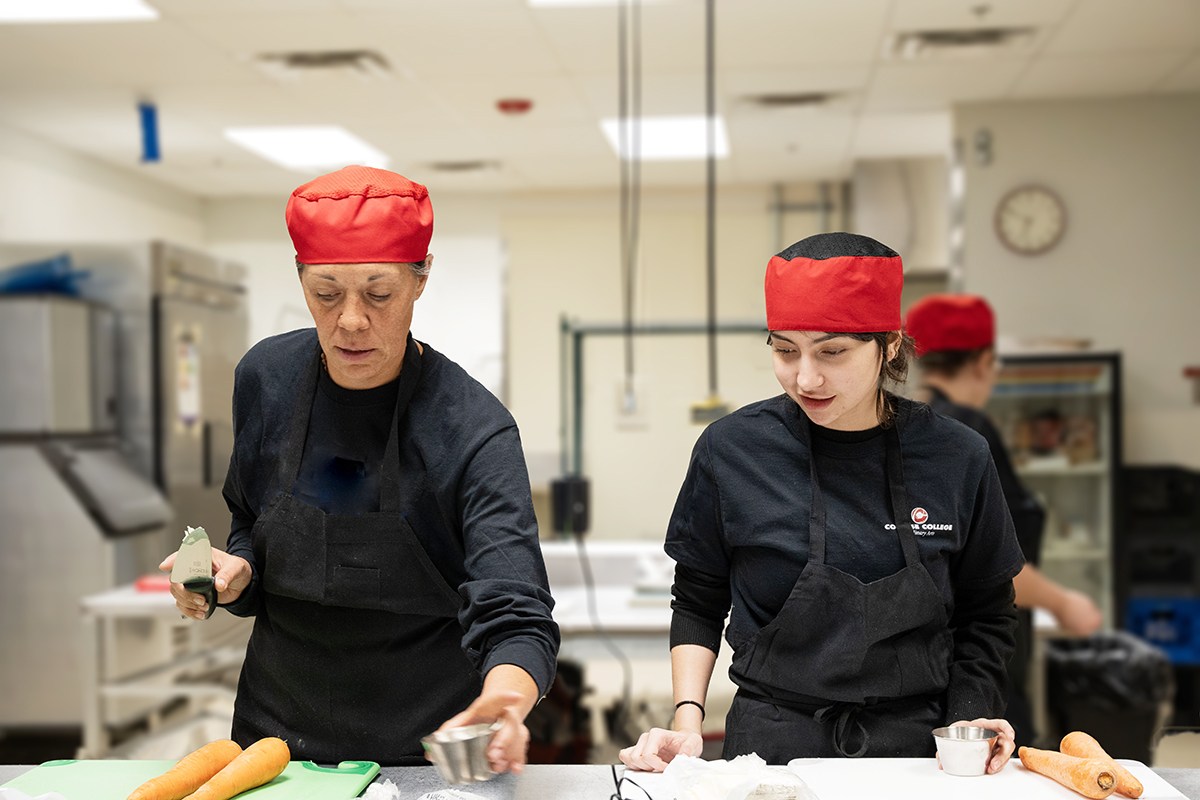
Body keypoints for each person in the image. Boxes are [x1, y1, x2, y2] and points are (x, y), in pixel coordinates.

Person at [159, 165, 559, 771]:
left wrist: (507, 693)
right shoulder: (265, 380)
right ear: (300, 282)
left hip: (424, 751)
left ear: (420, 281)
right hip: (272, 745)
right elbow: (249, 519)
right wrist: (233, 573)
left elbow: (514, 603)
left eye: (378, 293)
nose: (349, 320)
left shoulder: (474, 429)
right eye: (325, 293)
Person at [620, 233, 1024, 772]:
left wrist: (971, 717)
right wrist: (687, 720)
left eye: (832, 351)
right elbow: (698, 597)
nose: (805, 378)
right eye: (785, 350)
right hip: (770, 746)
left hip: (916, 751)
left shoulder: (958, 456)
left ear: (892, 345)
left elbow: (987, 610)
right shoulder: (732, 450)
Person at [904, 293, 1103, 747]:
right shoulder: (969, 433)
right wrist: (1063, 602)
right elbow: (993, 567)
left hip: (927, 662)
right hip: (980, 655)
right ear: (984, 361)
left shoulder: (911, 429)